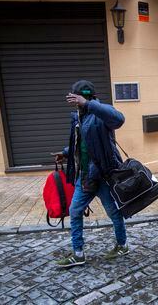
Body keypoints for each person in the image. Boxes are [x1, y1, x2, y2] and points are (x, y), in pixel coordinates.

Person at [55, 80, 129, 268]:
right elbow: (82, 144)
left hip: (103, 175)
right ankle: (78, 253)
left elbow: (119, 119)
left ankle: (122, 245)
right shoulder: (78, 117)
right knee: (75, 211)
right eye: (73, 98)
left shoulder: (100, 113)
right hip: (85, 175)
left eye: (77, 98)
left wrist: (88, 104)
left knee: (113, 212)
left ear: (87, 98)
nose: (74, 102)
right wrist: (65, 153)